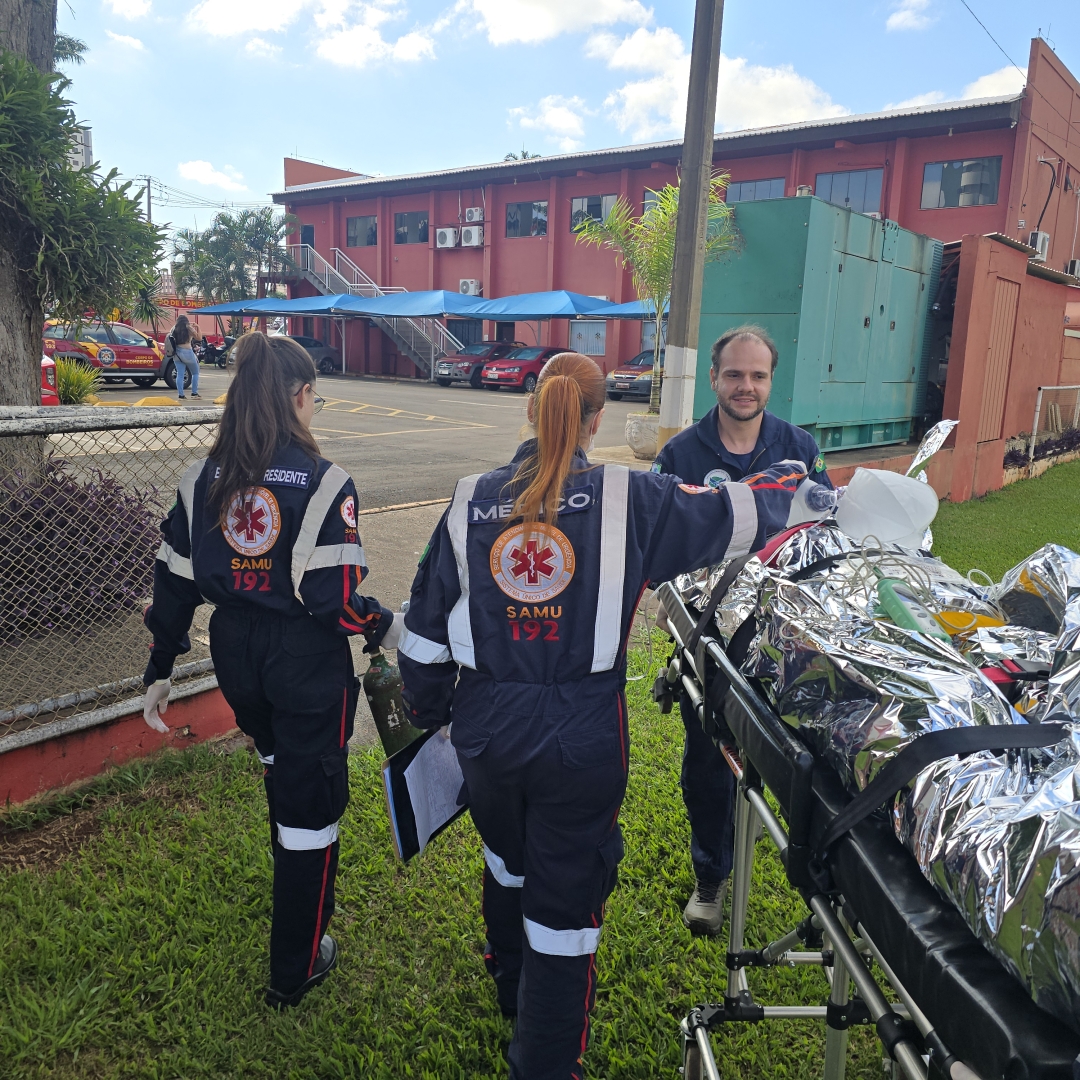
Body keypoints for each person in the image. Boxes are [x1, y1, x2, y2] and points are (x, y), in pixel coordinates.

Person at [396, 352, 804, 1080]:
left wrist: (435, 717)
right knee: (566, 908)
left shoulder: (466, 501)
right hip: (582, 737)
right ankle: (545, 1063)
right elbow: (737, 514)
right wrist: (801, 483)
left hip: (485, 727)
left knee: (505, 861)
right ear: (596, 419)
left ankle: (508, 988)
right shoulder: (630, 497)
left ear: (531, 407)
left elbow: (423, 645)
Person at [141, 332, 402, 1008]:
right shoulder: (324, 481)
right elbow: (333, 600)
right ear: (298, 397)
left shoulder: (203, 478)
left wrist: (159, 666)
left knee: (279, 768)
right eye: (313, 396)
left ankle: (290, 852)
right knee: (313, 807)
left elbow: (172, 581)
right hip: (304, 658)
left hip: (235, 655)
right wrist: (379, 624)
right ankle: (296, 965)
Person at [651, 325, 832, 937]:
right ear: (714, 378)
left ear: (770, 380)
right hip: (711, 642)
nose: (746, 387)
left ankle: (827, 887)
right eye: (734, 374)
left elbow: (829, 532)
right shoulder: (679, 455)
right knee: (709, 762)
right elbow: (657, 546)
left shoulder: (801, 447)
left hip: (790, 640)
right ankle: (712, 875)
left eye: (757, 376)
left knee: (813, 760)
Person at [165, 314, 201, 399]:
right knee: (195, 372)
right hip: (187, 352)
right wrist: (198, 327)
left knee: (180, 374)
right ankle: (194, 393)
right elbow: (199, 338)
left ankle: (181, 395)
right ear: (186, 321)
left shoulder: (173, 328)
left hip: (176, 353)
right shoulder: (188, 328)